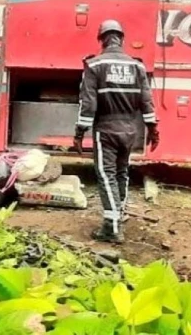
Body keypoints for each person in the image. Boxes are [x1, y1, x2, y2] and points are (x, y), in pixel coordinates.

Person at [73, 19, 160, 244]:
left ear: (102, 40)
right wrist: (153, 129)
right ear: (121, 39)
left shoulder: (94, 66)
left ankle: (111, 228)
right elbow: (147, 101)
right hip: (130, 131)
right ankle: (118, 216)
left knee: (106, 175)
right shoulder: (137, 66)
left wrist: (80, 132)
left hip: (106, 131)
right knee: (121, 173)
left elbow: (88, 104)